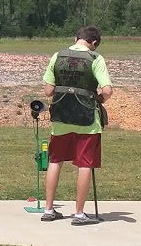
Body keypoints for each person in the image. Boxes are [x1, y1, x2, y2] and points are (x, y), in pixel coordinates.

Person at [40, 25, 113, 226]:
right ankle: (79, 213)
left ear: (76, 38)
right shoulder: (96, 59)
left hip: (61, 115)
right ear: (94, 43)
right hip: (87, 118)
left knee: (55, 160)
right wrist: (100, 98)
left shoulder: (57, 56)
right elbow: (107, 90)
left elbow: (48, 91)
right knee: (84, 164)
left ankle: (48, 209)